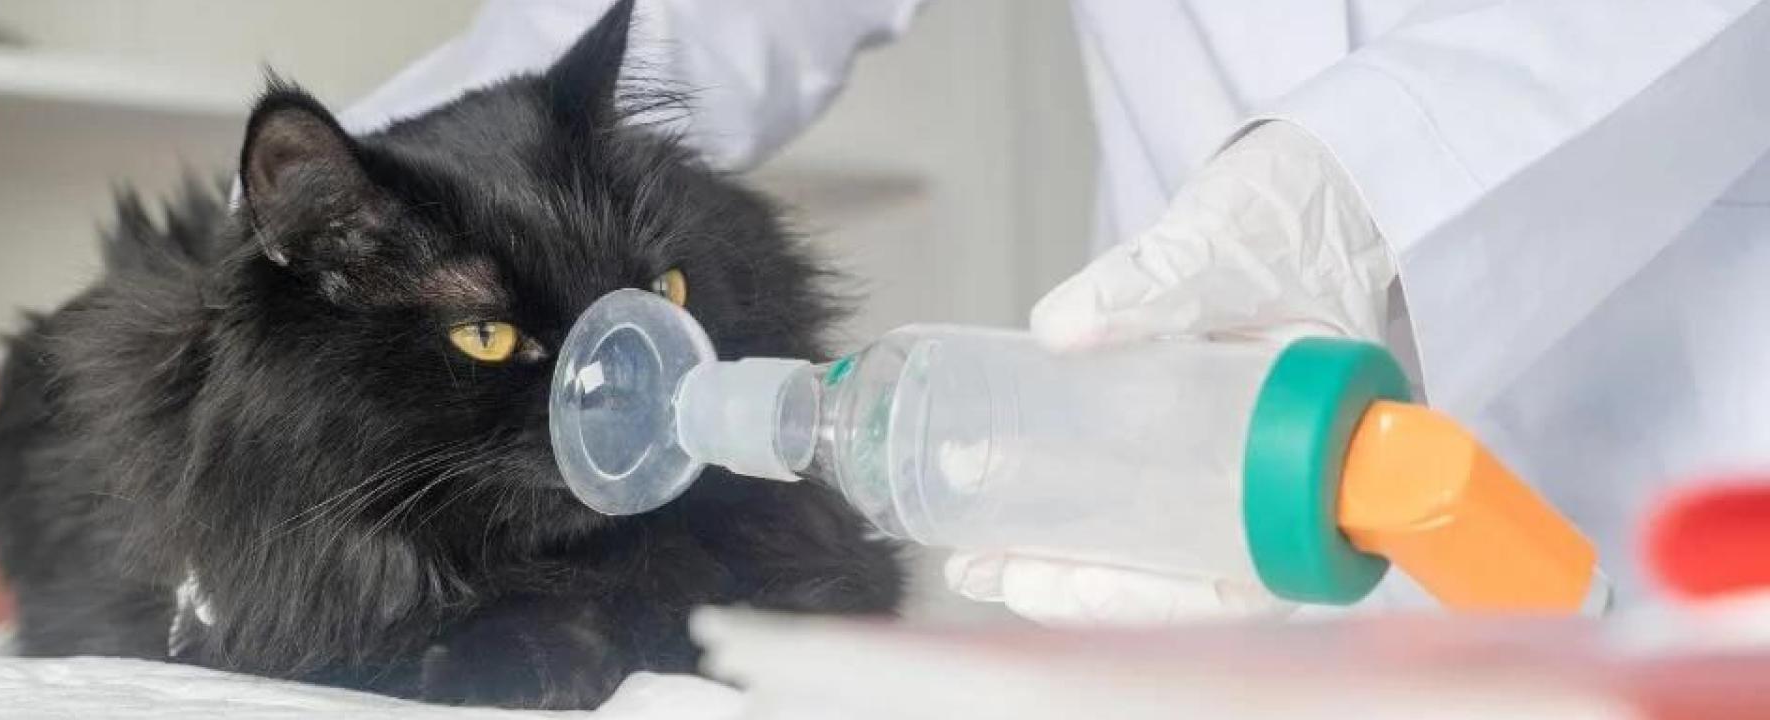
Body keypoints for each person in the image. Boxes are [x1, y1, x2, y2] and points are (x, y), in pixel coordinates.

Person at [340, 0, 1770, 622]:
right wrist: (353, 219)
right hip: (1178, 465)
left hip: (1683, 488)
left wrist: (1354, 193)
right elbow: (674, 25)